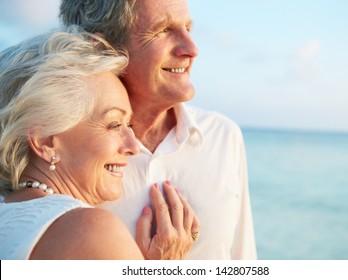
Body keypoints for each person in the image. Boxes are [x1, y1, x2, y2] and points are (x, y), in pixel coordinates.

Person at [60, 0, 257, 259]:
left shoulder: (223, 136)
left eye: (188, 28)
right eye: (163, 30)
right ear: (102, 49)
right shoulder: (62, 151)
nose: (192, 49)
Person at [0, 26, 199, 260]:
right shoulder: (90, 231)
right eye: (114, 125)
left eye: (130, 126)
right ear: (44, 140)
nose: (133, 146)